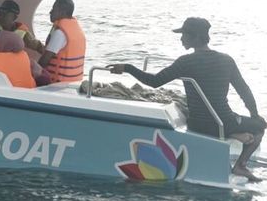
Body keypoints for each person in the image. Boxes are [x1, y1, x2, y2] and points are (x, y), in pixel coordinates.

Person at [108, 17, 266, 182]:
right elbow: (243, 90)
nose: (181, 38)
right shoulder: (226, 60)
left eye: (184, 35)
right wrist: (255, 114)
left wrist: (128, 68)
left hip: (198, 124)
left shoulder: (186, 62)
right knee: (260, 127)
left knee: (235, 122)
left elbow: (154, 82)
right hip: (222, 122)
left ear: (196, 37)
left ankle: (235, 136)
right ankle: (241, 163)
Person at [0, 0, 43, 65]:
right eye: (0, 13)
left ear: (14, 18)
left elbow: (38, 46)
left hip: (8, 71)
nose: (0, 17)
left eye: (4, 15)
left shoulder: (23, 33)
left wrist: (49, 54)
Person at [38, 0, 86, 83]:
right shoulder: (76, 29)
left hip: (57, 83)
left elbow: (44, 61)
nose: (50, 12)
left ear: (62, 11)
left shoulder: (60, 33)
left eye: (53, 9)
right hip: (74, 80)